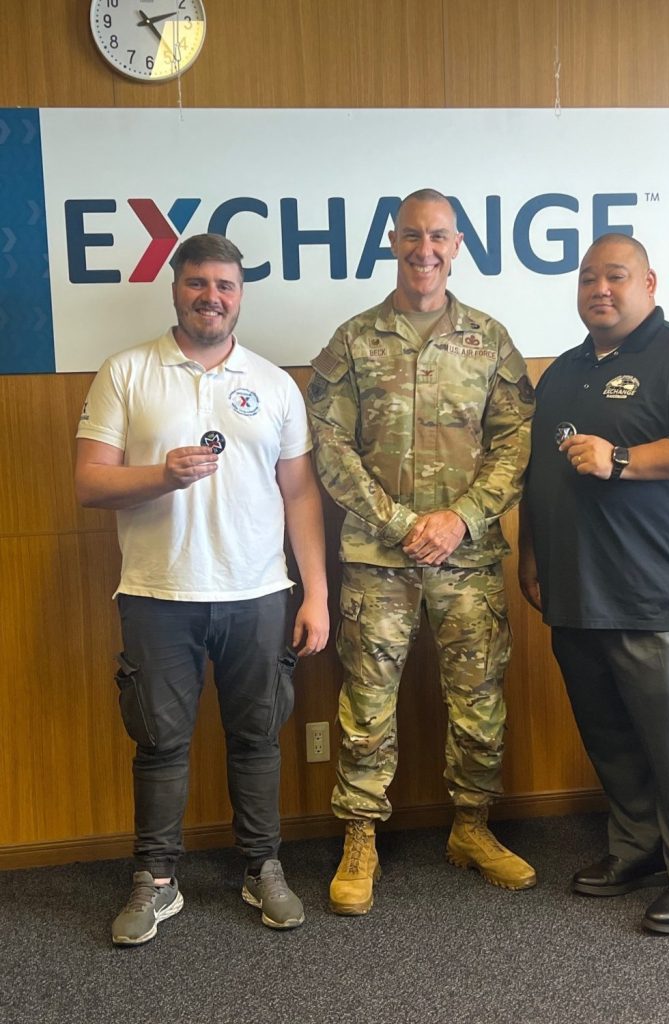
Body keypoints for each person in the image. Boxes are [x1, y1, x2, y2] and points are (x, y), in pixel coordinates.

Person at [75, 233, 329, 944]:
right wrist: (162, 475)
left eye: (225, 285)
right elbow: (90, 482)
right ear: (175, 289)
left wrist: (315, 594)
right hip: (158, 593)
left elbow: (300, 494)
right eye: (197, 284)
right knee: (160, 742)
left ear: (240, 294)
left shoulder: (274, 383)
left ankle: (263, 867)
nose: (211, 296)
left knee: (256, 737)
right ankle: (155, 881)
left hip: (257, 592)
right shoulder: (126, 372)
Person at [306, 188, 536, 915]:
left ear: (458, 244)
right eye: (412, 235)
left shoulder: (490, 340)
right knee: (366, 704)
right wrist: (403, 521)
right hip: (379, 560)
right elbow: (330, 446)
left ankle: (471, 826)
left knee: (477, 699)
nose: (424, 249)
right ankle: (361, 836)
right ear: (394, 241)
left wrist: (459, 519)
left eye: (438, 236)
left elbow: (516, 442)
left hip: (465, 559)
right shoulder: (352, 340)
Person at [518, 233, 669, 934]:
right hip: (579, 592)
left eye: (615, 276)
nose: (599, 289)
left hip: (666, 595)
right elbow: (540, 475)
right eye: (588, 278)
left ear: (649, 283)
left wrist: (621, 458)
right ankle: (637, 849)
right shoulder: (561, 373)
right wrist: (528, 555)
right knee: (611, 737)